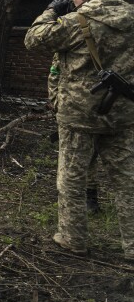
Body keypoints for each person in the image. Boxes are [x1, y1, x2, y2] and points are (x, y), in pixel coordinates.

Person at [24, 0, 134, 257]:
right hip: (123, 113)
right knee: (127, 181)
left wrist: (50, 11)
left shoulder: (76, 22)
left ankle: (73, 239)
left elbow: (33, 39)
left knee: (72, 179)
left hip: (79, 114)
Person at [49, 55, 101, 213]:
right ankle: (87, 197)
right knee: (81, 158)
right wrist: (56, 101)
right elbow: (54, 72)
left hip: (111, 112)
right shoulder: (71, 43)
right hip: (76, 113)